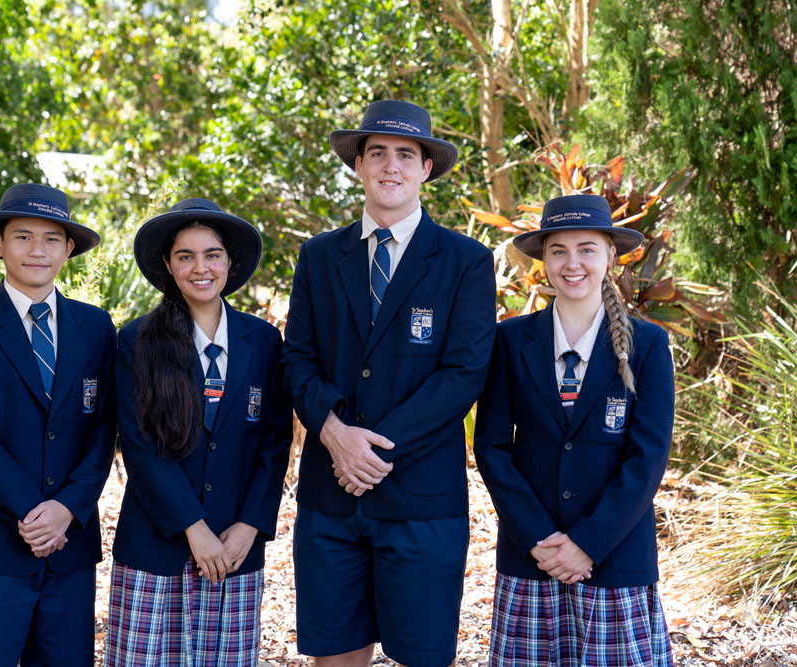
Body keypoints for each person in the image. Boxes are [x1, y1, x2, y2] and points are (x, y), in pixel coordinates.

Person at [281, 99, 497, 667]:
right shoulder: (319, 257)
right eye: (377, 153)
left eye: (406, 154)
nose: (391, 166)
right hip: (331, 496)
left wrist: (370, 449)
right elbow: (297, 360)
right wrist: (334, 435)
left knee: (421, 657)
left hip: (421, 499)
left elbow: (463, 374)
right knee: (335, 656)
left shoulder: (465, 261)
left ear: (427, 168)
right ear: (359, 165)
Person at [473, 193, 674, 666]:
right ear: (543, 259)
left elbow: (647, 459)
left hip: (614, 558)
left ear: (610, 255)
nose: (572, 263)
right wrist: (541, 539)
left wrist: (587, 544)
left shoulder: (646, 344)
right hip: (532, 557)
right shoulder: (510, 340)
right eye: (558, 250)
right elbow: (493, 447)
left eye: (587, 248)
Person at [0, 183, 116, 666]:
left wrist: (67, 509)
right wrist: (36, 514)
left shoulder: (95, 327)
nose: (38, 249)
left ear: (69, 248)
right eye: (23, 237)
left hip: (71, 546)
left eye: (52, 238)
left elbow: (103, 431)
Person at [106, 198, 292, 666]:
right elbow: (140, 447)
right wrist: (194, 529)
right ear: (168, 265)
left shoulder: (263, 341)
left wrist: (249, 527)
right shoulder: (137, 340)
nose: (200, 267)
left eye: (212, 254)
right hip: (156, 542)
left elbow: (275, 442)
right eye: (185, 256)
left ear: (229, 261)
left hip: (234, 546)